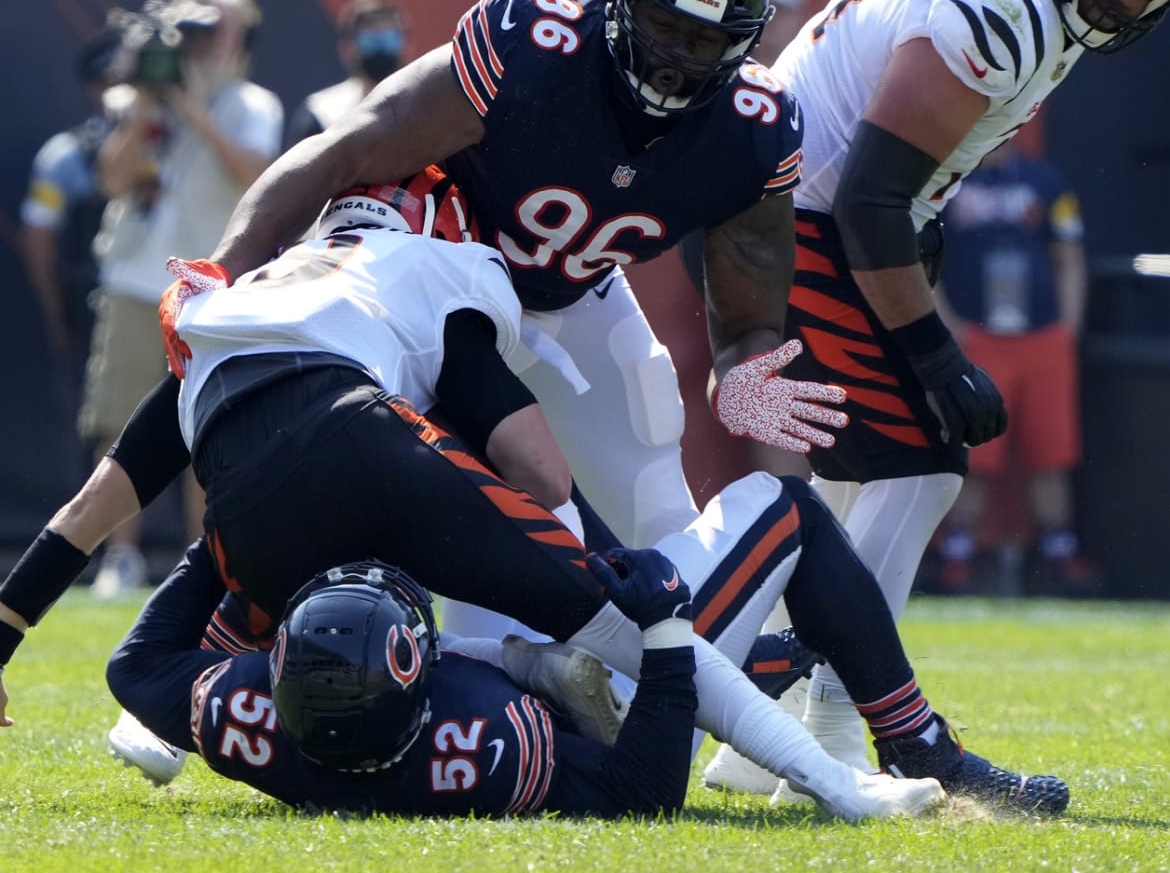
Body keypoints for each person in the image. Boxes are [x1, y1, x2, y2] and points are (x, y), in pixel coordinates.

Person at [0, 179, 1067, 817]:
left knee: (244, 571)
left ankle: (195, 718)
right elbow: (541, 473)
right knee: (640, 621)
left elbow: (90, 511)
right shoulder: (427, 264)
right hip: (366, 445)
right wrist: (592, 580)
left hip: (248, 494)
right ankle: (843, 782)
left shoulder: (237, 303)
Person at [160, 0, 846, 652]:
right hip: (434, 289)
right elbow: (345, 150)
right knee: (341, 478)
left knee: (659, 502)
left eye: (706, 40)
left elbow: (746, 315)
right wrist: (222, 269)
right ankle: (197, 669)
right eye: (665, 25)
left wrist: (743, 370)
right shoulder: (536, 39)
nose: (677, 57)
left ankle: (672, 697)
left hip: (572, 296)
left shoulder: (754, 127)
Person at [727, 0, 1170, 795]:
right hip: (801, 205)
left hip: (809, 194)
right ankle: (869, 737)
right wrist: (937, 355)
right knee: (923, 462)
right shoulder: (1003, 3)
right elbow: (868, 196)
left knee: (857, 480)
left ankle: (762, 742)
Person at [107, 542, 702, 818]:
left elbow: (132, 666)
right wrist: (668, 629)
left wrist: (223, 540)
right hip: (520, 711)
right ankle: (534, 670)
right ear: (419, 687)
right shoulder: (491, 735)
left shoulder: (238, 707)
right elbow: (646, 792)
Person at [80, 0, 283, 597]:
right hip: (135, 277)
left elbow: (255, 174)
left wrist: (192, 107)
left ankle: (206, 556)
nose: (205, 38)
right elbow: (111, 180)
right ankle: (121, 557)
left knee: (209, 424)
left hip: (209, 283)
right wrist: (146, 96)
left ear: (240, 34)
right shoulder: (130, 98)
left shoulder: (253, 104)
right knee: (120, 422)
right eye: (194, 22)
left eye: (217, 24)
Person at [931, 141, 1098, 596]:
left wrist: (1067, 327)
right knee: (975, 450)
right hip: (977, 336)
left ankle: (1060, 551)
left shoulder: (1046, 181)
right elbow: (921, 262)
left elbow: (1069, 255)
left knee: (1052, 451)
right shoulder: (951, 179)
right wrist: (949, 327)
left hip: (1041, 337)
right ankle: (958, 551)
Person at [18, 26, 122, 383]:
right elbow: (38, 239)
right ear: (95, 88)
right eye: (112, 80)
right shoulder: (65, 157)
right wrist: (57, 314)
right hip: (98, 307)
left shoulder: (188, 143)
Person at [284, 0, 409, 148]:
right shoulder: (322, 113)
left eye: (389, 39)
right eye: (370, 41)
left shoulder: (422, 105)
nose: (381, 49)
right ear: (347, 49)